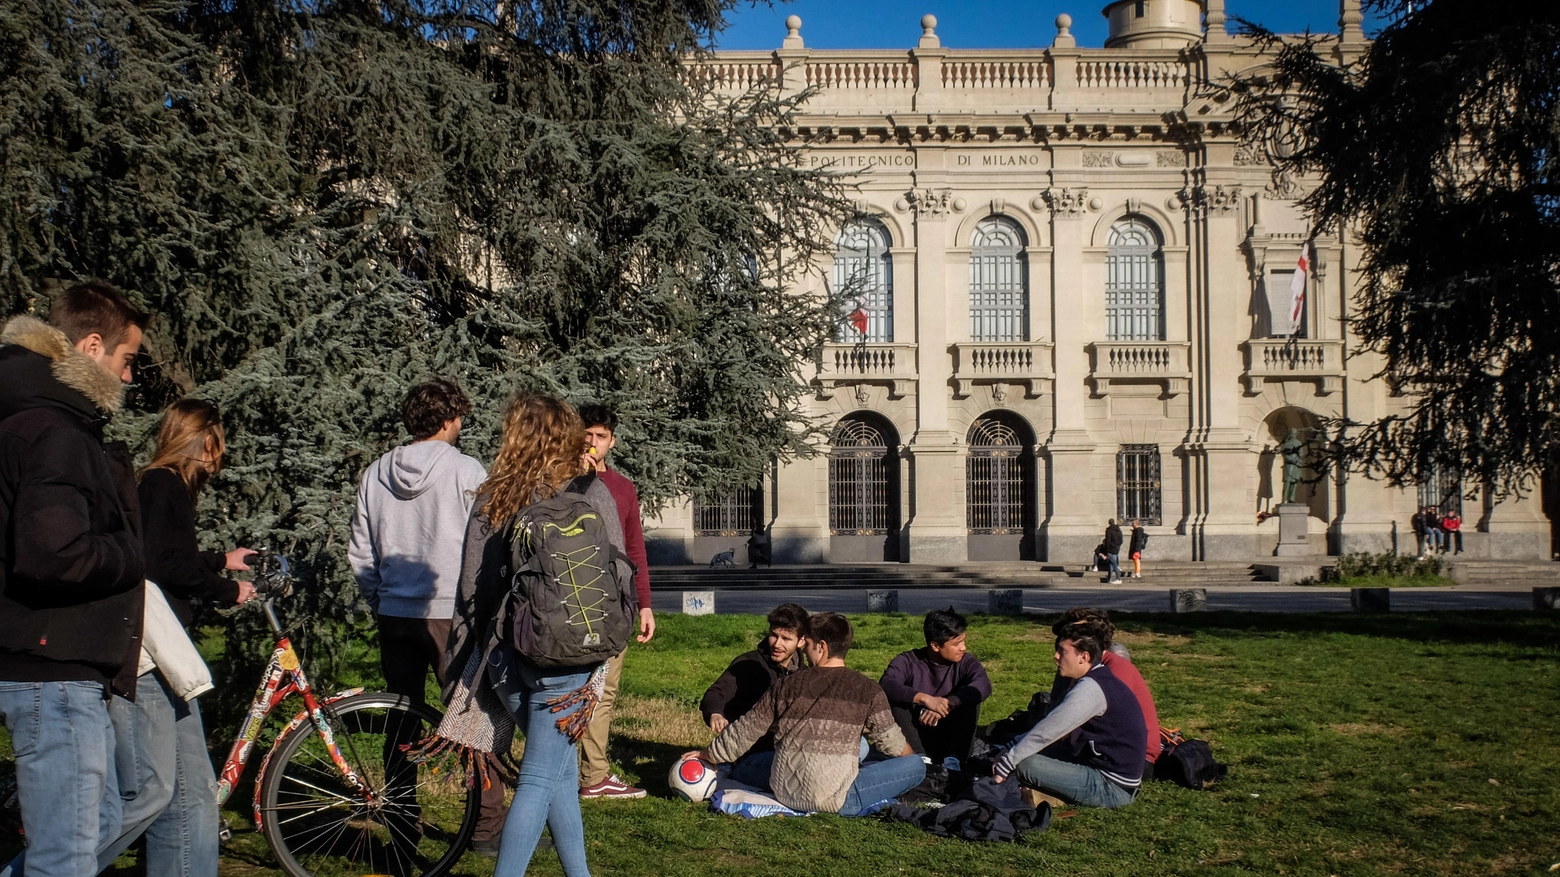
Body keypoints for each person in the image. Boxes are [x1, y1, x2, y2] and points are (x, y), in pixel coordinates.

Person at [440, 393, 629, 877]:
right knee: (542, 775)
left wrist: (470, 655)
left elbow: (470, 586)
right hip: (571, 658)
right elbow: (616, 573)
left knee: (560, 773)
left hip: (506, 653)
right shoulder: (590, 490)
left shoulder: (493, 494)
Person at [0, 281, 150, 877]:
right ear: (91, 347)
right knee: (66, 855)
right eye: (127, 359)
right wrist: (133, 553)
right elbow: (54, 554)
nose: (131, 378)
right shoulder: (56, 430)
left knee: (100, 825)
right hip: (51, 669)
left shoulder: (30, 418)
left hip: (49, 662)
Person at [347, 378, 506, 852]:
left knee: (401, 719)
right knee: (473, 718)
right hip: (449, 614)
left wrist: (378, 596)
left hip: (395, 613)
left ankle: (400, 819)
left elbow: (361, 548)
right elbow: (489, 538)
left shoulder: (376, 473)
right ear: (449, 420)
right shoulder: (465, 469)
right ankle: (486, 827)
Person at [136, 399, 256, 877]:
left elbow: (170, 555)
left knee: (188, 796)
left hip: (163, 656)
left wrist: (220, 560)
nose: (219, 456)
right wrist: (229, 589)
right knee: (165, 794)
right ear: (205, 439)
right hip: (153, 658)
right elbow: (160, 566)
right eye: (218, 445)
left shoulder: (157, 485)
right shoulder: (164, 486)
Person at [693, 612, 926, 816]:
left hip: (784, 790)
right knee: (916, 766)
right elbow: (891, 743)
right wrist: (912, 756)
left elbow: (745, 730)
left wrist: (708, 755)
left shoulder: (787, 685)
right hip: (837, 800)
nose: (805, 648)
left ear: (822, 646)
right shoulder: (868, 689)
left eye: (808, 644)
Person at [574, 403, 655, 800]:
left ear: (612, 441)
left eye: (600, 436)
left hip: (615, 601)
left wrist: (644, 604)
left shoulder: (623, 487)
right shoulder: (560, 480)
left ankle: (593, 775)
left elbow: (634, 546)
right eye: (586, 434)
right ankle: (563, 771)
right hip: (569, 600)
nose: (592, 442)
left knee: (605, 689)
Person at [992, 616, 1146, 809]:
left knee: (1025, 764)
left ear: (1084, 656)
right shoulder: (1098, 677)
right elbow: (1049, 729)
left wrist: (1008, 762)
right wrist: (1011, 746)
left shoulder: (1091, 689)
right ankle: (1045, 792)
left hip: (1113, 786)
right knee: (1023, 752)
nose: (1056, 656)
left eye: (1062, 651)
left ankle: (1048, 796)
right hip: (1098, 765)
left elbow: (1049, 730)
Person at [699, 603, 808, 781]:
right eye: (774, 635)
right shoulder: (748, 664)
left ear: (801, 641)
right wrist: (715, 713)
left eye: (786, 639)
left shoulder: (804, 674)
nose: (777, 644)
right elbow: (716, 693)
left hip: (788, 748)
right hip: (751, 753)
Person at [1049, 608, 1160, 780]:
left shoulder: (1115, 670)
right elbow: (1056, 710)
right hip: (1087, 743)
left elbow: (1078, 725)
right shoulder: (1071, 667)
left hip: (1129, 759)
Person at [879, 608, 991, 767]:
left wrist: (948, 704)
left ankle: (954, 761)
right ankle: (919, 758)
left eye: (963, 641)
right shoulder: (908, 661)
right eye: (957, 644)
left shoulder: (966, 662)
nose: (963, 648)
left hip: (952, 735)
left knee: (971, 698)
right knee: (897, 700)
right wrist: (925, 699)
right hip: (916, 733)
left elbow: (983, 685)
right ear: (935, 646)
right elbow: (886, 683)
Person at [1103, 519, 1124, 584]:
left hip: (1111, 549)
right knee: (1111, 564)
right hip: (1116, 549)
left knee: (1114, 564)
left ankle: (1118, 578)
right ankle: (1109, 578)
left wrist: (1107, 550)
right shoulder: (1119, 530)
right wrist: (1117, 546)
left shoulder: (1109, 530)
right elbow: (1121, 540)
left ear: (1109, 523)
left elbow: (1108, 541)